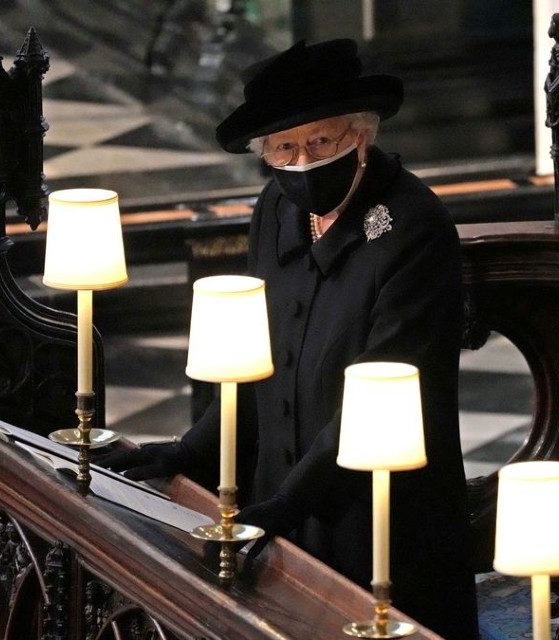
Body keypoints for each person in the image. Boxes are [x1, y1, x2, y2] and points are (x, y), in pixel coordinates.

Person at [98, 38, 479, 639]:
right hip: (277, 508)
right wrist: (185, 451)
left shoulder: (413, 227)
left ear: (361, 134)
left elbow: (389, 394)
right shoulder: (275, 208)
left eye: (321, 142)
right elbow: (260, 363)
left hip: (376, 518)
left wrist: (292, 503)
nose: (302, 162)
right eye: (284, 149)